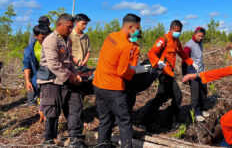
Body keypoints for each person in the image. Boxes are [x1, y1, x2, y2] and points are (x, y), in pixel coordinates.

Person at [93, 13, 150, 148]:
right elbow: (123, 72)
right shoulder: (125, 45)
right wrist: (136, 71)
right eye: (137, 28)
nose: (138, 30)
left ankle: (102, 145)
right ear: (130, 27)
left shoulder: (110, 37)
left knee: (105, 119)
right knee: (124, 121)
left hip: (98, 84)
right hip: (113, 88)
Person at [37, 13, 85, 147]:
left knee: (75, 106)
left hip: (67, 79)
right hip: (51, 81)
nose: (71, 30)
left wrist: (76, 74)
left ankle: (75, 137)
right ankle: (49, 140)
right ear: (59, 25)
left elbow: (68, 61)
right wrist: (71, 76)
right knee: (52, 112)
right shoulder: (50, 40)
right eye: (68, 27)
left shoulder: (67, 40)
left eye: (72, 27)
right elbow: (53, 64)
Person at [146, 20, 198, 129]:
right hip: (163, 73)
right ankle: (170, 122)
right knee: (177, 96)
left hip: (170, 73)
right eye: (176, 31)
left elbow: (182, 53)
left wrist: (192, 63)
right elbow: (151, 52)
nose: (178, 33)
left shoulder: (176, 41)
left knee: (162, 97)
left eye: (180, 32)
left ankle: (150, 119)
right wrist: (157, 62)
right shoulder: (163, 40)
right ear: (171, 29)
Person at [182, 27, 208, 122]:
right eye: (199, 36)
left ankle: (202, 109)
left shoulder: (201, 43)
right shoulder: (189, 45)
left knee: (203, 91)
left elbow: (200, 58)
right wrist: (184, 74)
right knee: (195, 94)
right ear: (195, 34)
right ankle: (196, 113)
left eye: (202, 36)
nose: (200, 38)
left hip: (202, 72)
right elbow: (184, 60)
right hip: (192, 73)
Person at [22, 24, 51, 106]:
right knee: (36, 103)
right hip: (37, 78)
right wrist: (27, 81)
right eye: (42, 37)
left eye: (47, 37)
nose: (45, 40)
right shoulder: (29, 50)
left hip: (52, 80)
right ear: (35, 36)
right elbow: (27, 65)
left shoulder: (55, 46)